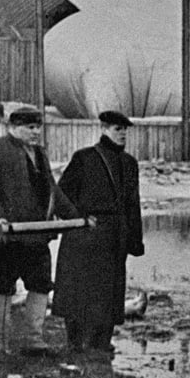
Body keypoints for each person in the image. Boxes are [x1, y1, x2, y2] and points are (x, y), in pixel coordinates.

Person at [0, 106, 79, 354]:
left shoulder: (39, 154)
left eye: (38, 127)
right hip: (7, 235)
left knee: (41, 283)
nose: (35, 132)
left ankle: (34, 338)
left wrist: (75, 217)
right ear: (12, 127)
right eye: (29, 127)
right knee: (3, 284)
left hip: (36, 233)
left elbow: (51, 190)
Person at [52, 110, 144, 356]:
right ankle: (75, 342)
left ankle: (102, 342)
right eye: (117, 129)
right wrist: (78, 219)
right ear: (103, 129)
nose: (122, 134)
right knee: (79, 289)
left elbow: (132, 204)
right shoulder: (84, 158)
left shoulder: (129, 164)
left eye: (125, 130)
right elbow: (62, 194)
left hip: (115, 235)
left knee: (111, 291)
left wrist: (135, 240)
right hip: (85, 235)